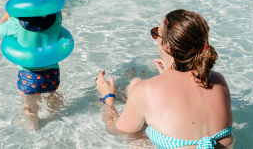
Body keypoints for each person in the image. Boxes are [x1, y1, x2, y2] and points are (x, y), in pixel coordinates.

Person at [96, 9, 235, 148]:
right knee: (136, 84)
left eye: (156, 33)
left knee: (136, 94)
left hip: (143, 102)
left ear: (168, 47)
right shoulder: (219, 81)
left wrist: (108, 99)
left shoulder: (146, 91)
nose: (156, 37)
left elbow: (115, 131)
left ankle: (126, 99)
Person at [0, 0, 65, 130]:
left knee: (30, 109)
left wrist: (7, 14)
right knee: (52, 97)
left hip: (29, 76)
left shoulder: (16, 21)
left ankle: (33, 130)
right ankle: (61, 120)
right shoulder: (56, 14)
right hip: (52, 72)